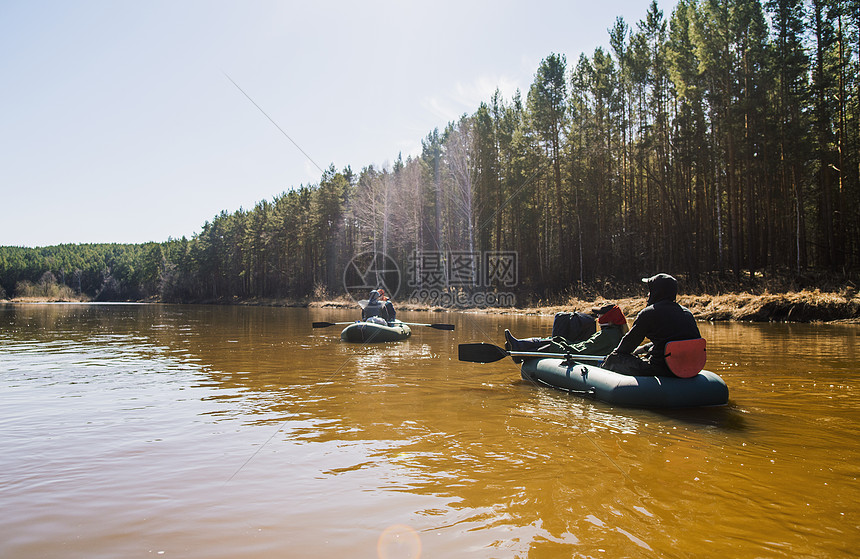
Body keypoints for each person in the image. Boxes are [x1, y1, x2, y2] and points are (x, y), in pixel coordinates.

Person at [602, 273, 702, 377]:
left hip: (661, 369)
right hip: (692, 367)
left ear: (656, 292)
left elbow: (626, 347)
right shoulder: (687, 312)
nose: (648, 294)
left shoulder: (649, 313)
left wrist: (613, 355)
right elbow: (677, 340)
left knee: (614, 359)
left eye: (650, 291)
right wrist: (644, 348)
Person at [504, 303, 629, 360]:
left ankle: (519, 349)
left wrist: (564, 345)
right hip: (582, 352)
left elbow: (584, 350)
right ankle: (518, 348)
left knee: (552, 344)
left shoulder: (608, 335)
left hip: (582, 356)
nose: (598, 318)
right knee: (555, 340)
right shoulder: (612, 333)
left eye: (600, 315)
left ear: (608, 319)